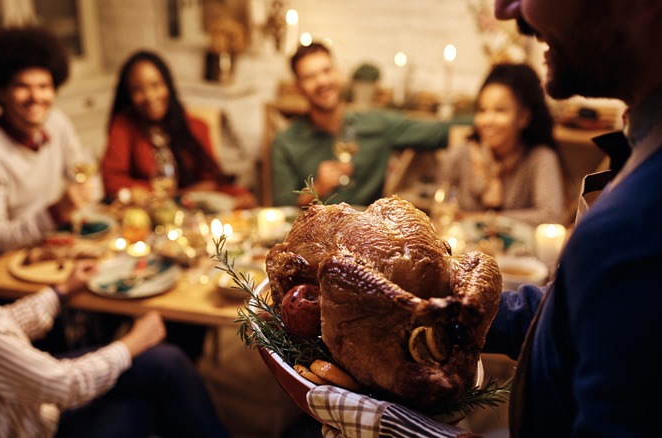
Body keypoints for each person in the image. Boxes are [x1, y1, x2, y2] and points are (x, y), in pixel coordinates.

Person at [305, 0, 662, 436]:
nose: (505, 8)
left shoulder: (637, 221)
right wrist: (437, 318)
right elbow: (568, 313)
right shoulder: (639, 155)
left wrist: (405, 430)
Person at [0, 169, 229, 438]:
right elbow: (65, 386)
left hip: (25, 403)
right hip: (37, 426)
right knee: (162, 379)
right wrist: (132, 341)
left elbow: (0, 326)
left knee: (163, 363)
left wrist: (61, 291)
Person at [0, 26, 96, 266]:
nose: (36, 96)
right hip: (2, 267)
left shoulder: (57, 122)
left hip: (50, 249)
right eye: (23, 86)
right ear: (0, 92)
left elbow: (81, 174)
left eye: (44, 86)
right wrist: (55, 213)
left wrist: (84, 200)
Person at [271, 42, 458, 207]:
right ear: (298, 87)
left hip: (367, 238)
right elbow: (281, 209)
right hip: (314, 238)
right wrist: (316, 189)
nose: (322, 81)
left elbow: (439, 131)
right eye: (309, 76)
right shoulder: (286, 142)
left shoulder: (376, 125)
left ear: (339, 73)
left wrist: (483, 118)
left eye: (326, 71)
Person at [101, 50, 256, 208]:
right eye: (138, 90)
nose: (149, 96)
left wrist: (178, 195)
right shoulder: (123, 125)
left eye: (155, 85)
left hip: (192, 210)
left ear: (167, 85)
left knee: (246, 200)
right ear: (129, 95)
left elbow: (211, 182)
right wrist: (166, 194)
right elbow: (112, 181)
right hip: (145, 214)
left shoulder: (195, 126)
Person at [438, 63, 565, 226]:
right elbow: (440, 210)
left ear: (524, 117)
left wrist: (484, 220)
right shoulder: (458, 157)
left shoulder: (540, 158)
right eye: (482, 110)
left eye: (500, 111)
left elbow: (550, 216)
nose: (488, 120)